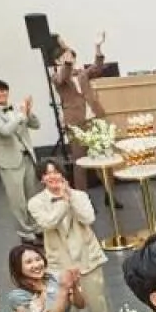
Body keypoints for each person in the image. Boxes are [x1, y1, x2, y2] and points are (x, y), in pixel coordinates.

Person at [28, 160, 117, 312]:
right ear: (42, 179)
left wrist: (71, 198)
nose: (53, 176)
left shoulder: (79, 195)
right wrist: (63, 202)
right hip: (59, 261)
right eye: (47, 173)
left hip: (87, 256)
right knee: (66, 304)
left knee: (97, 302)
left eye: (56, 172)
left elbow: (88, 218)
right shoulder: (36, 203)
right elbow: (48, 223)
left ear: (62, 174)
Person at [49, 30, 120, 207]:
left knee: (105, 157)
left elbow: (98, 67)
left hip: (95, 120)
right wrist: (66, 58)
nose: (71, 61)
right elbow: (63, 75)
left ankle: (110, 195)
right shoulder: (57, 77)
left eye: (72, 58)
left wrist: (97, 47)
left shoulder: (81, 74)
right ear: (57, 62)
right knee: (80, 162)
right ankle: (83, 200)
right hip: (76, 124)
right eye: (66, 59)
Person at [0, 79, 41, 239]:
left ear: (7, 91)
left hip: (27, 156)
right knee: (17, 199)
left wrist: (29, 111)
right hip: (8, 161)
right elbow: (5, 130)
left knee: (32, 194)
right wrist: (21, 115)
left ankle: (36, 226)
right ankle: (26, 231)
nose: (0, 94)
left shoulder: (17, 107)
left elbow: (36, 125)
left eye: (3, 90)